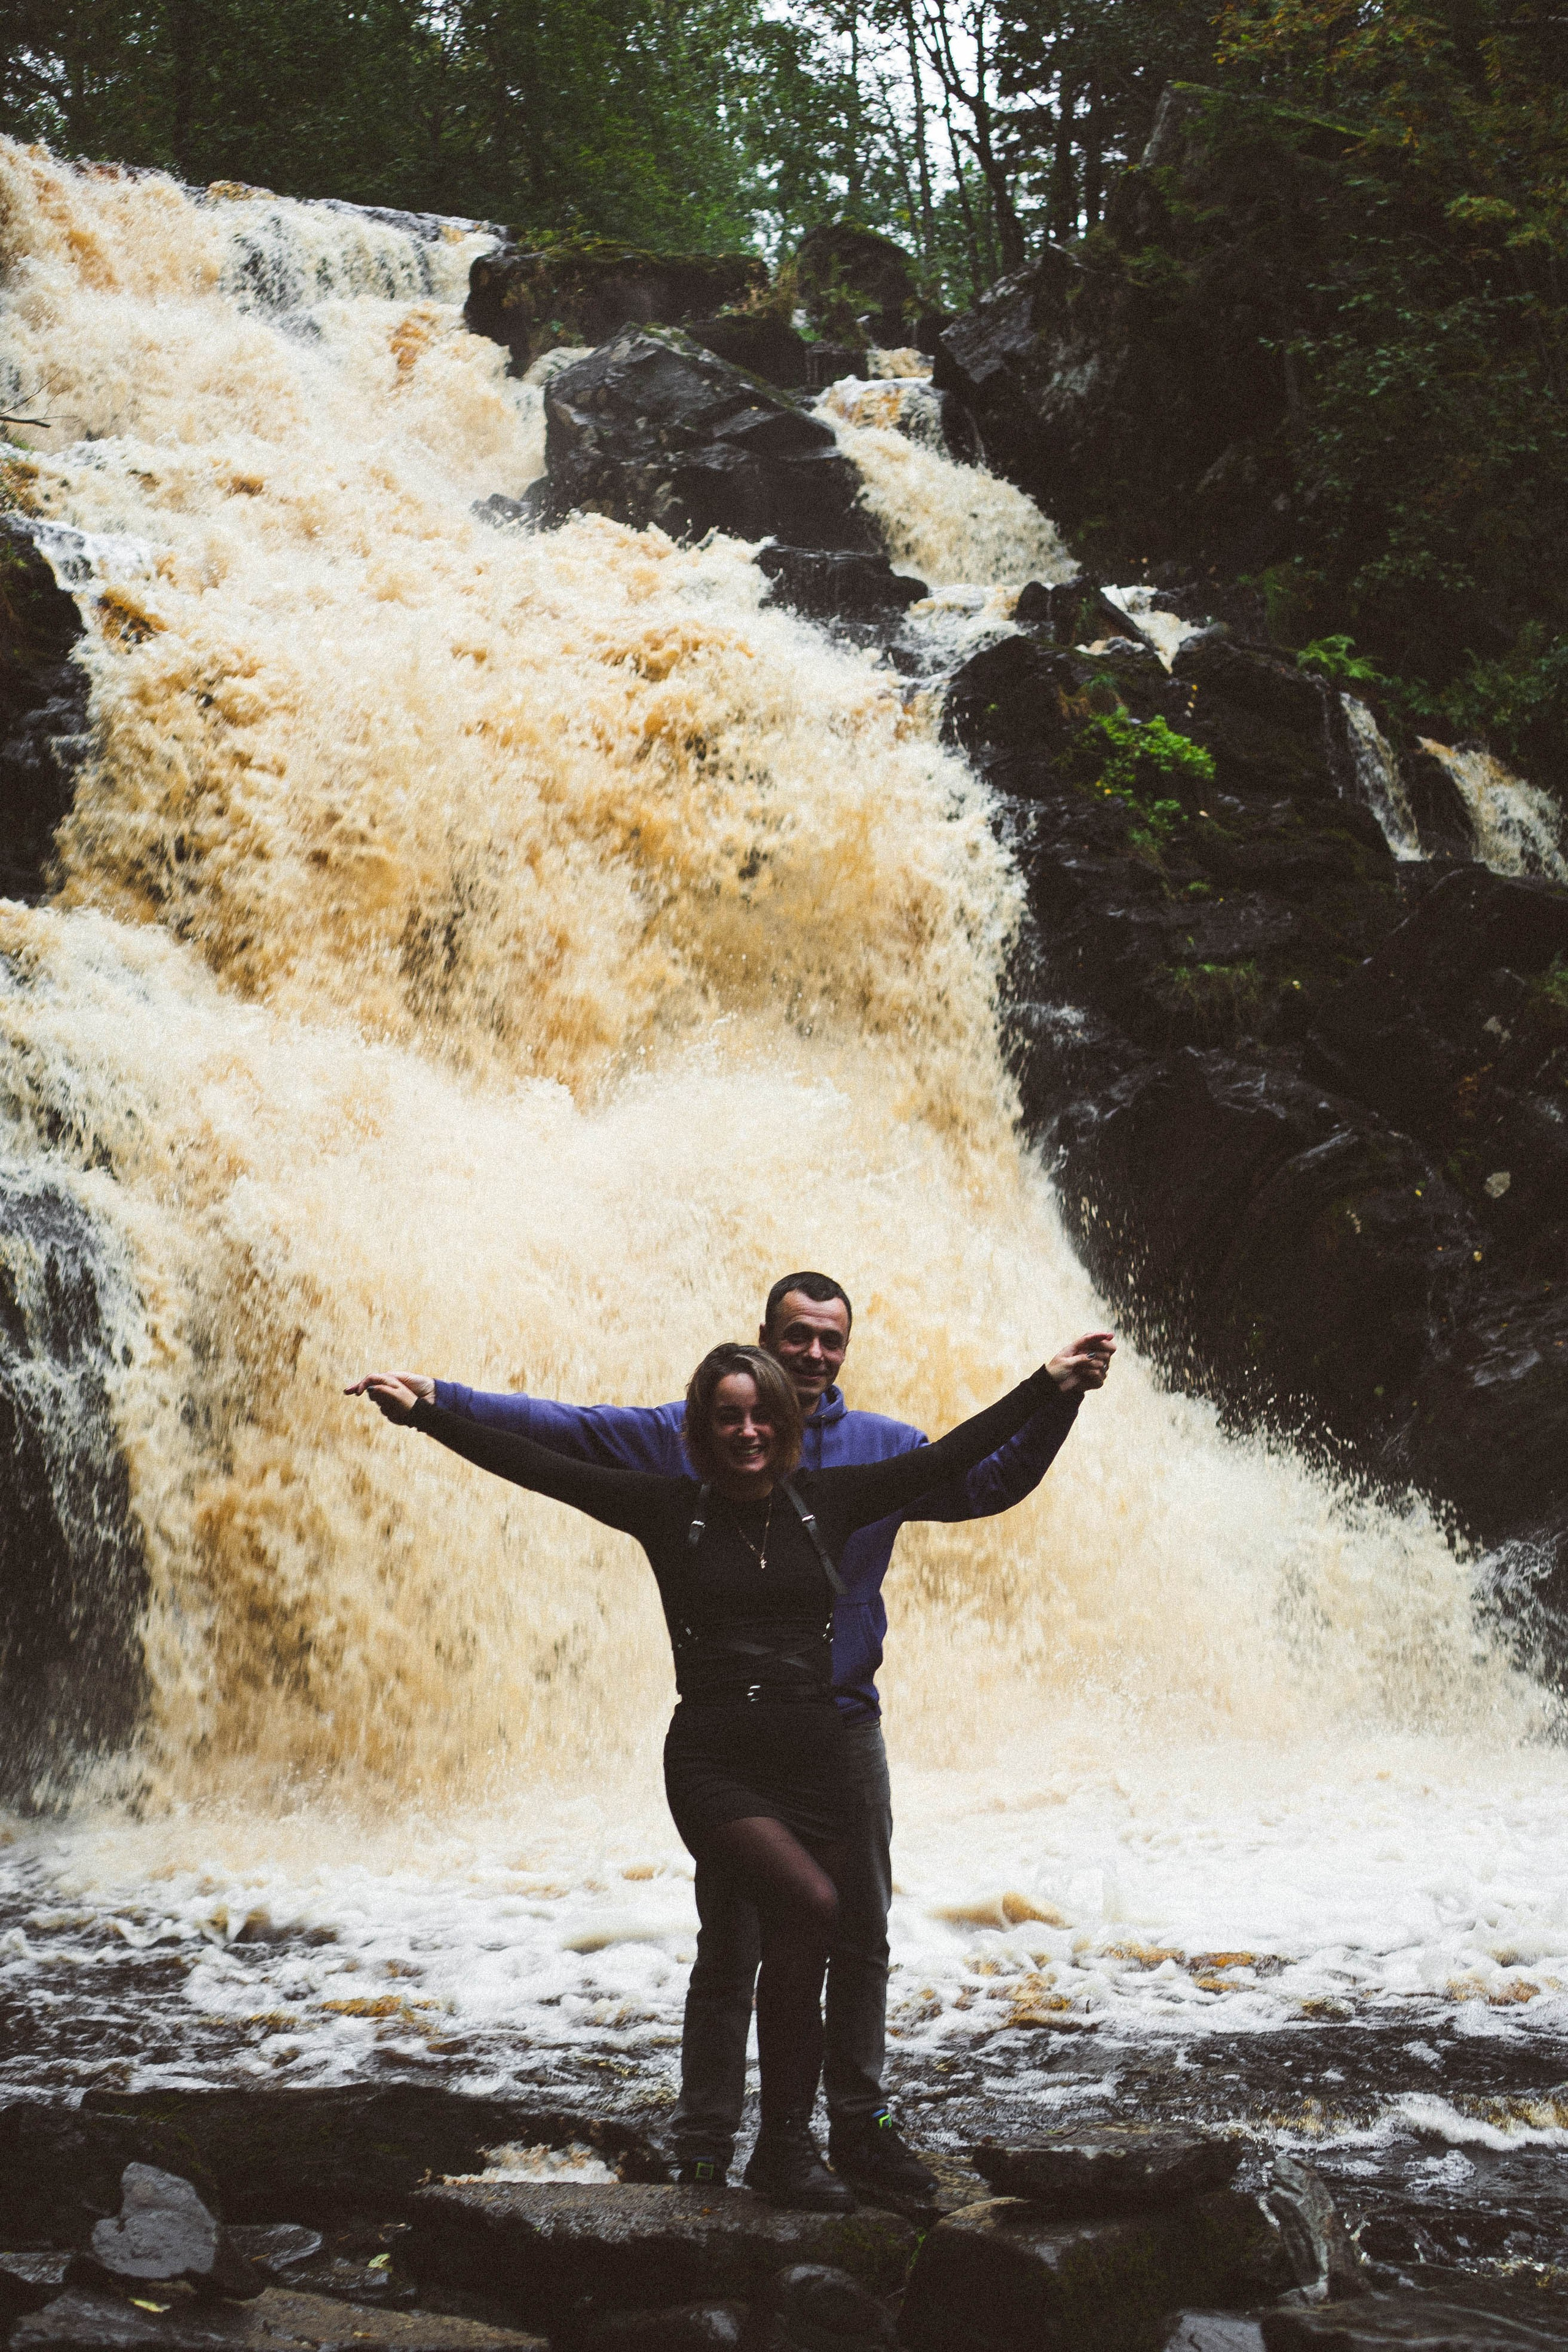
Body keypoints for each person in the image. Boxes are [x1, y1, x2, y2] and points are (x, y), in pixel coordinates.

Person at [350, 1278, 1114, 2201]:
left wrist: (1054, 1385)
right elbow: (547, 1454)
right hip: (721, 1758)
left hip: (829, 1743)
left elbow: (967, 1458)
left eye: (828, 1344)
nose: (751, 1427)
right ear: (704, 1423)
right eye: (731, 1415)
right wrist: (432, 1410)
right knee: (759, 1932)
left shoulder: (843, 1486)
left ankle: (802, 2143)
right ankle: (710, 2138)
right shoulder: (669, 1499)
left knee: (835, 1929)